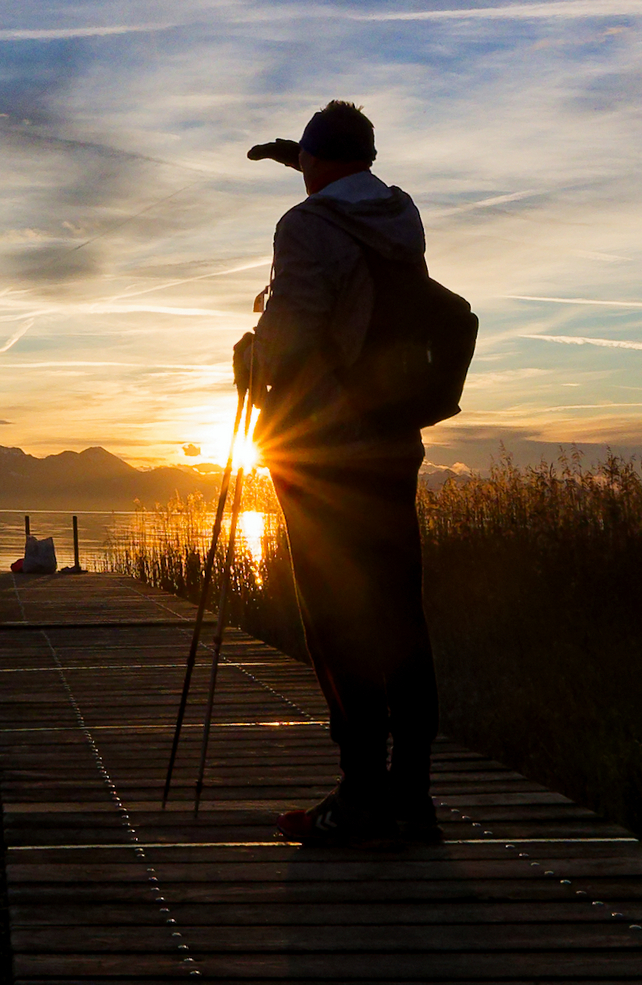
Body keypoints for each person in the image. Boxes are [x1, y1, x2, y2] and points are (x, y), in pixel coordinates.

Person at [239, 100, 441, 846]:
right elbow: (344, 179)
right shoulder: (400, 213)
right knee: (398, 613)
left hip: (325, 452)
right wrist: (301, 154)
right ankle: (410, 797)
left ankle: (358, 795)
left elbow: (290, 332)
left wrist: (250, 353)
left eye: (305, 167)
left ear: (320, 166)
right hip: (393, 442)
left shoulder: (307, 226)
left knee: (335, 618)